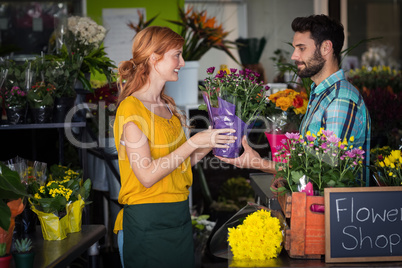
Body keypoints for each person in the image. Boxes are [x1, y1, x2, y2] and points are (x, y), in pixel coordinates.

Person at [113, 26, 236, 268]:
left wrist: (213, 141)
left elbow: (181, 163)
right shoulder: (131, 109)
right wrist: (193, 142)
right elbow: (147, 175)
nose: (182, 61)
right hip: (148, 220)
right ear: (153, 58)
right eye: (176, 54)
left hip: (178, 216)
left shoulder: (168, 107)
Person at [218, 14, 371, 184]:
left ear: (326, 47)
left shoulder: (339, 100)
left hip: (338, 208)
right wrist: (285, 176)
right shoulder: (322, 94)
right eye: (294, 48)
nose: (294, 56)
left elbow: (326, 171)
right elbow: (312, 162)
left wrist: (260, 163)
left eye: (301, 48)